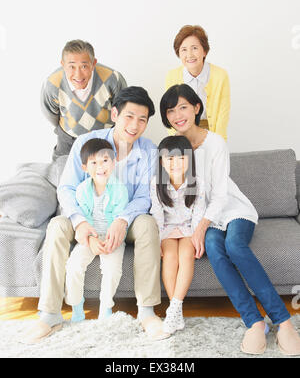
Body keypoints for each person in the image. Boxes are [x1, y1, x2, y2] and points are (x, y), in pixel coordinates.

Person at [159, 83, 300, 356]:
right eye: (171, 110)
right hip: (205, 217)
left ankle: (283, 322)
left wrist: (199, 229)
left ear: (197, 107)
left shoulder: (215, 143)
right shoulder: (174, 149)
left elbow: (221, 194)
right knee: (214, 248)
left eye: (183, 107)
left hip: (233, 210)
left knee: (234, 246)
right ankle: (254, 322)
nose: (177, 115)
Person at [21, 86, 167, 344]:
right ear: (114, 114)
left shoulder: (148, 152)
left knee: (147, 224)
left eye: (142, 119)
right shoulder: (86, 143)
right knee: (56, 226)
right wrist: (80, 223)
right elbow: (66, 188)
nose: (135, 125)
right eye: (129, 116)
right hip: (87, 215)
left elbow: (145, 197)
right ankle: (49, 314)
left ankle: (146, 312)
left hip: (126, 220)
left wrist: (123, 220)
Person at [64, 138, 128, 322]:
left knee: (112, 269)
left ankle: (105, 306)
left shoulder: (120, 189)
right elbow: (83, 218)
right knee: (74, 265)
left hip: (112, 236)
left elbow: (118, 218)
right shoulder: (82, 190)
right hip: (89, 236)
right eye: (94, 162)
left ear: (113, 163)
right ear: (85, 167)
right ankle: (76, 305)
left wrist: (109, 241)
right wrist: (91, 239)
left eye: (105, 161)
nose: (100, 167)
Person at [150, 135, 205, 334]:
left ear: (189, 159)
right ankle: (176, 311)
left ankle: (174, 307)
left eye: (181, 158)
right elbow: (157, 214)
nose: (175, 163)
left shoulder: (197, 182)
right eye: (169, 159)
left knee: (185, 256)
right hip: (167, 228)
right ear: (161, 162)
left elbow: (199, 213)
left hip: (190, 228)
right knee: (171, 257)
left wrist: (198, 236)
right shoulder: (157, 182)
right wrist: (156, 240)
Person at [41, 39, 127, 159]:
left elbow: (123, 112)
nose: (78, 74)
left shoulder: (113, 79)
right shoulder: (52, 84)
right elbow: (51, 114)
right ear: (63, 65)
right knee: (61, 174)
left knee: (111, 174)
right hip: (68, 141)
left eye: (84, 66)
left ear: (93, 63)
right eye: (71, 66)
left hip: (106, 137)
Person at [165, 25, 230, 141]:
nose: (189, 55)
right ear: (179, 53)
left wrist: (218, 142)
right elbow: (169, 113)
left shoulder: (220, 75)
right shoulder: (172, 76)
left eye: (194, 48)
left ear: (204, 51)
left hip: (211, 132)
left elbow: (222, 115)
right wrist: (176, 141)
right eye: (184, 49)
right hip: (182, 132)